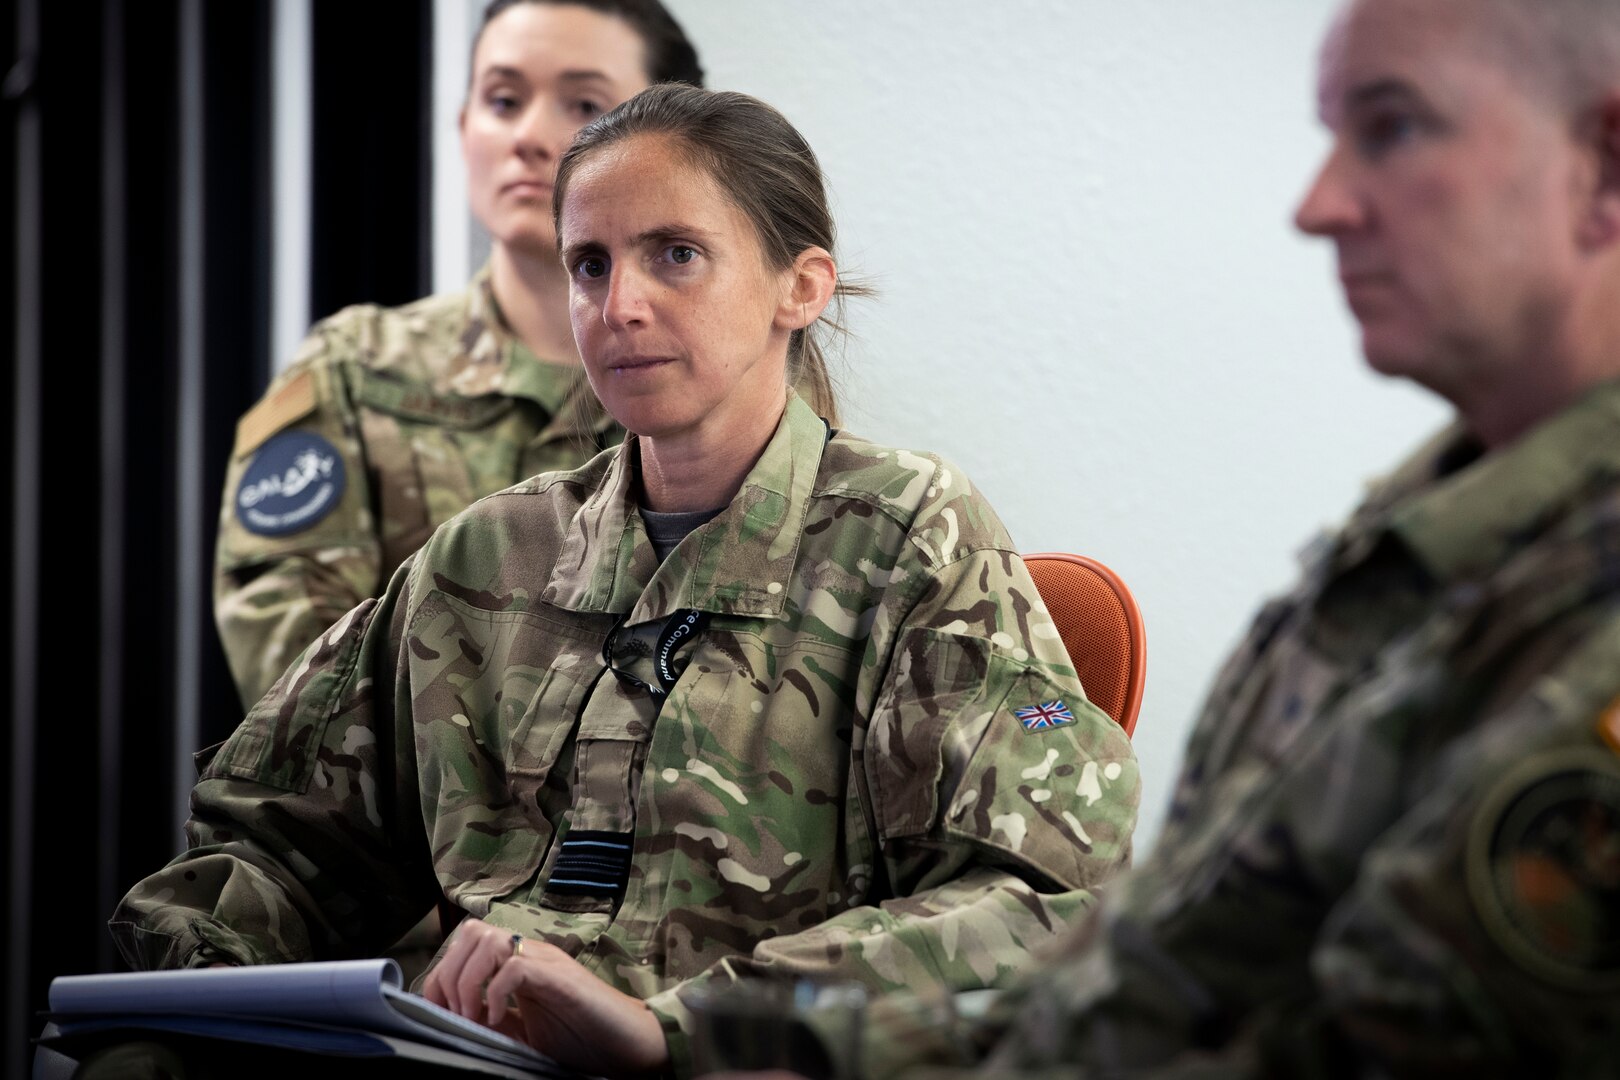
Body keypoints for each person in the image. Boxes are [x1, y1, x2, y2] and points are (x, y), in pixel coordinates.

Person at [106, 85, 1141, 1080]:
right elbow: (272, 854)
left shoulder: (910, 536)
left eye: (676, 256)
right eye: (589, 265)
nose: (620, 305)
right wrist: (143, 1041)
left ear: (802, 286)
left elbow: (1047, 902)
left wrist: (677, 1032)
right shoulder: (483, 559)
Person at [787, 0, 1620, 1075]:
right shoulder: (1426, 532)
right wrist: (765, 1045)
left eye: (1393, 127)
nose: (1319, 205)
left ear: (1602, 166)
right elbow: (1151, 967)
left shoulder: (1581, 605)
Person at [213, 0, 708, 712]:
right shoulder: (356, 371)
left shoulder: (714, 386)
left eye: (584, 106)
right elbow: (299, 685)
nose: (530, 136)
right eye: (503, 100)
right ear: (464, 125)